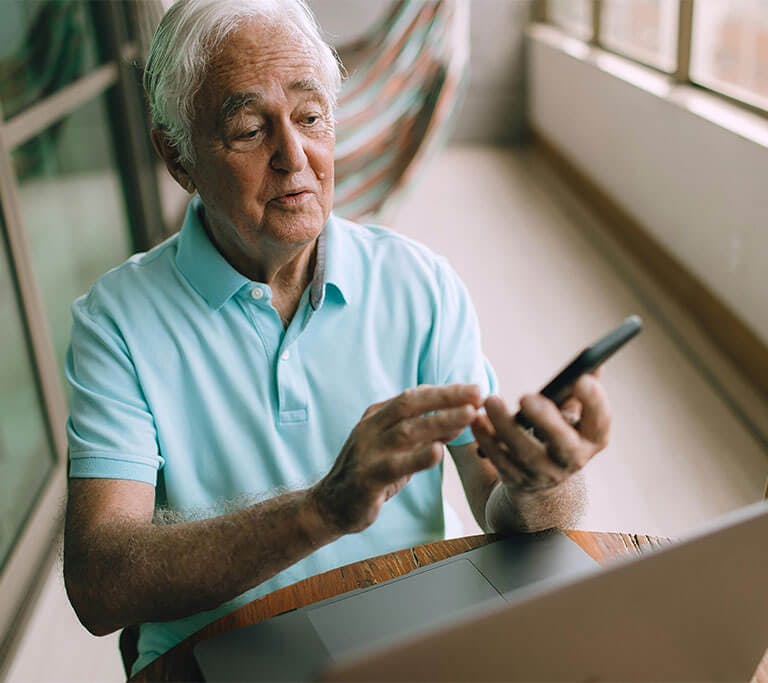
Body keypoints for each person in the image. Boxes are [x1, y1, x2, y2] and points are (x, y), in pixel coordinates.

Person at [63, 0, 611, 675]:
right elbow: (98, 582)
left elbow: (500, 501)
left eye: (311, 116)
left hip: (401, 647)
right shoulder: (116, 320)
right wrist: (323, 509)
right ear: (178, 158)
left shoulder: (420, 284)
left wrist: (545, 483)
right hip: (219, 658)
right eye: (247, 129)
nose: (295, 158)